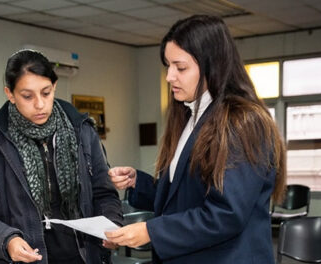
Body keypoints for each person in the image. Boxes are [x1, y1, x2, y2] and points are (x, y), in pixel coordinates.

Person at [105, 14, 286, 264]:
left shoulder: (242, 121)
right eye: (168, 66)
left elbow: (226, 214)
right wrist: (139, 183)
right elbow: (186, 197)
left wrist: (151, 231)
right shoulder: (191, 116)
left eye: (180, 68)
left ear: (212, 65)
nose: (169, 77)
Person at [0, 49, 122, 264]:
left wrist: (111, 226)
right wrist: (6, 240)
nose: (39, 104)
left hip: (84, 257)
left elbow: (104, 194)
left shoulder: (82, 131)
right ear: (10, 94)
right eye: (27, 96)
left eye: (46, 93)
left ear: (54, 86)